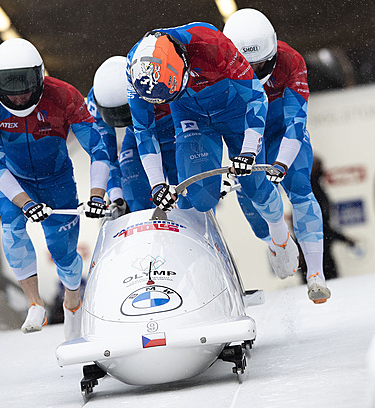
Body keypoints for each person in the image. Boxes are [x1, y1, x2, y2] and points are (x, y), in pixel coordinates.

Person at [126, 22, 299, 278]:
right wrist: (156, 184)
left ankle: (280, 235)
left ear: (183, 64)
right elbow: (144, 129)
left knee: (255, 187)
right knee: (199, 198)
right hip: (190, 116)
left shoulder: (212, 44)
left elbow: (256, 98)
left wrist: (249, 151)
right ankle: (199, 270)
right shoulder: (134, 70)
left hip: (234, 110)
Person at [0, 38, 110, 338]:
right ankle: (34, 302)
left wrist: (97, 195)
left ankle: (72, 298)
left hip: (56, 179)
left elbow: (98, 150)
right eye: (11, 92)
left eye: (25, 90)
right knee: (11, 222)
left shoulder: (66, 97)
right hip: (14, 178)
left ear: (40, 79)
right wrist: (23, 202)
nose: (20, 99)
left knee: (64, 252)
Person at [223, 8, 330, 303]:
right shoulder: (219, 69)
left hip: (283, 132)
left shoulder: (291, 60)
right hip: (246, 138)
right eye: (249, 68)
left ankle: (316, 274)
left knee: (301, 190)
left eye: (262, 66)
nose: (256, 75)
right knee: (254, 199)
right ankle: (276, 239)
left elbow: (297, 121)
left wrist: (282, 162)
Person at [87, 56, 178, 212]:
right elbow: (105, 153)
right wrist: (116, 195)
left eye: (126, 112)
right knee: (137, 200)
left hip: (175, 136)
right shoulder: (94, 104)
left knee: (192, 198)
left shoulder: (160, 81)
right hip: (137, 141)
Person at [310, 156, 355, 280]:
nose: (321, 169)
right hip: (316, 252)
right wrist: (342, 238)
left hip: (319, 250)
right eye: (317, 166)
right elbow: (321, 226)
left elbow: (323, 226)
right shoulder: (310, 191)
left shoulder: (314, 189)